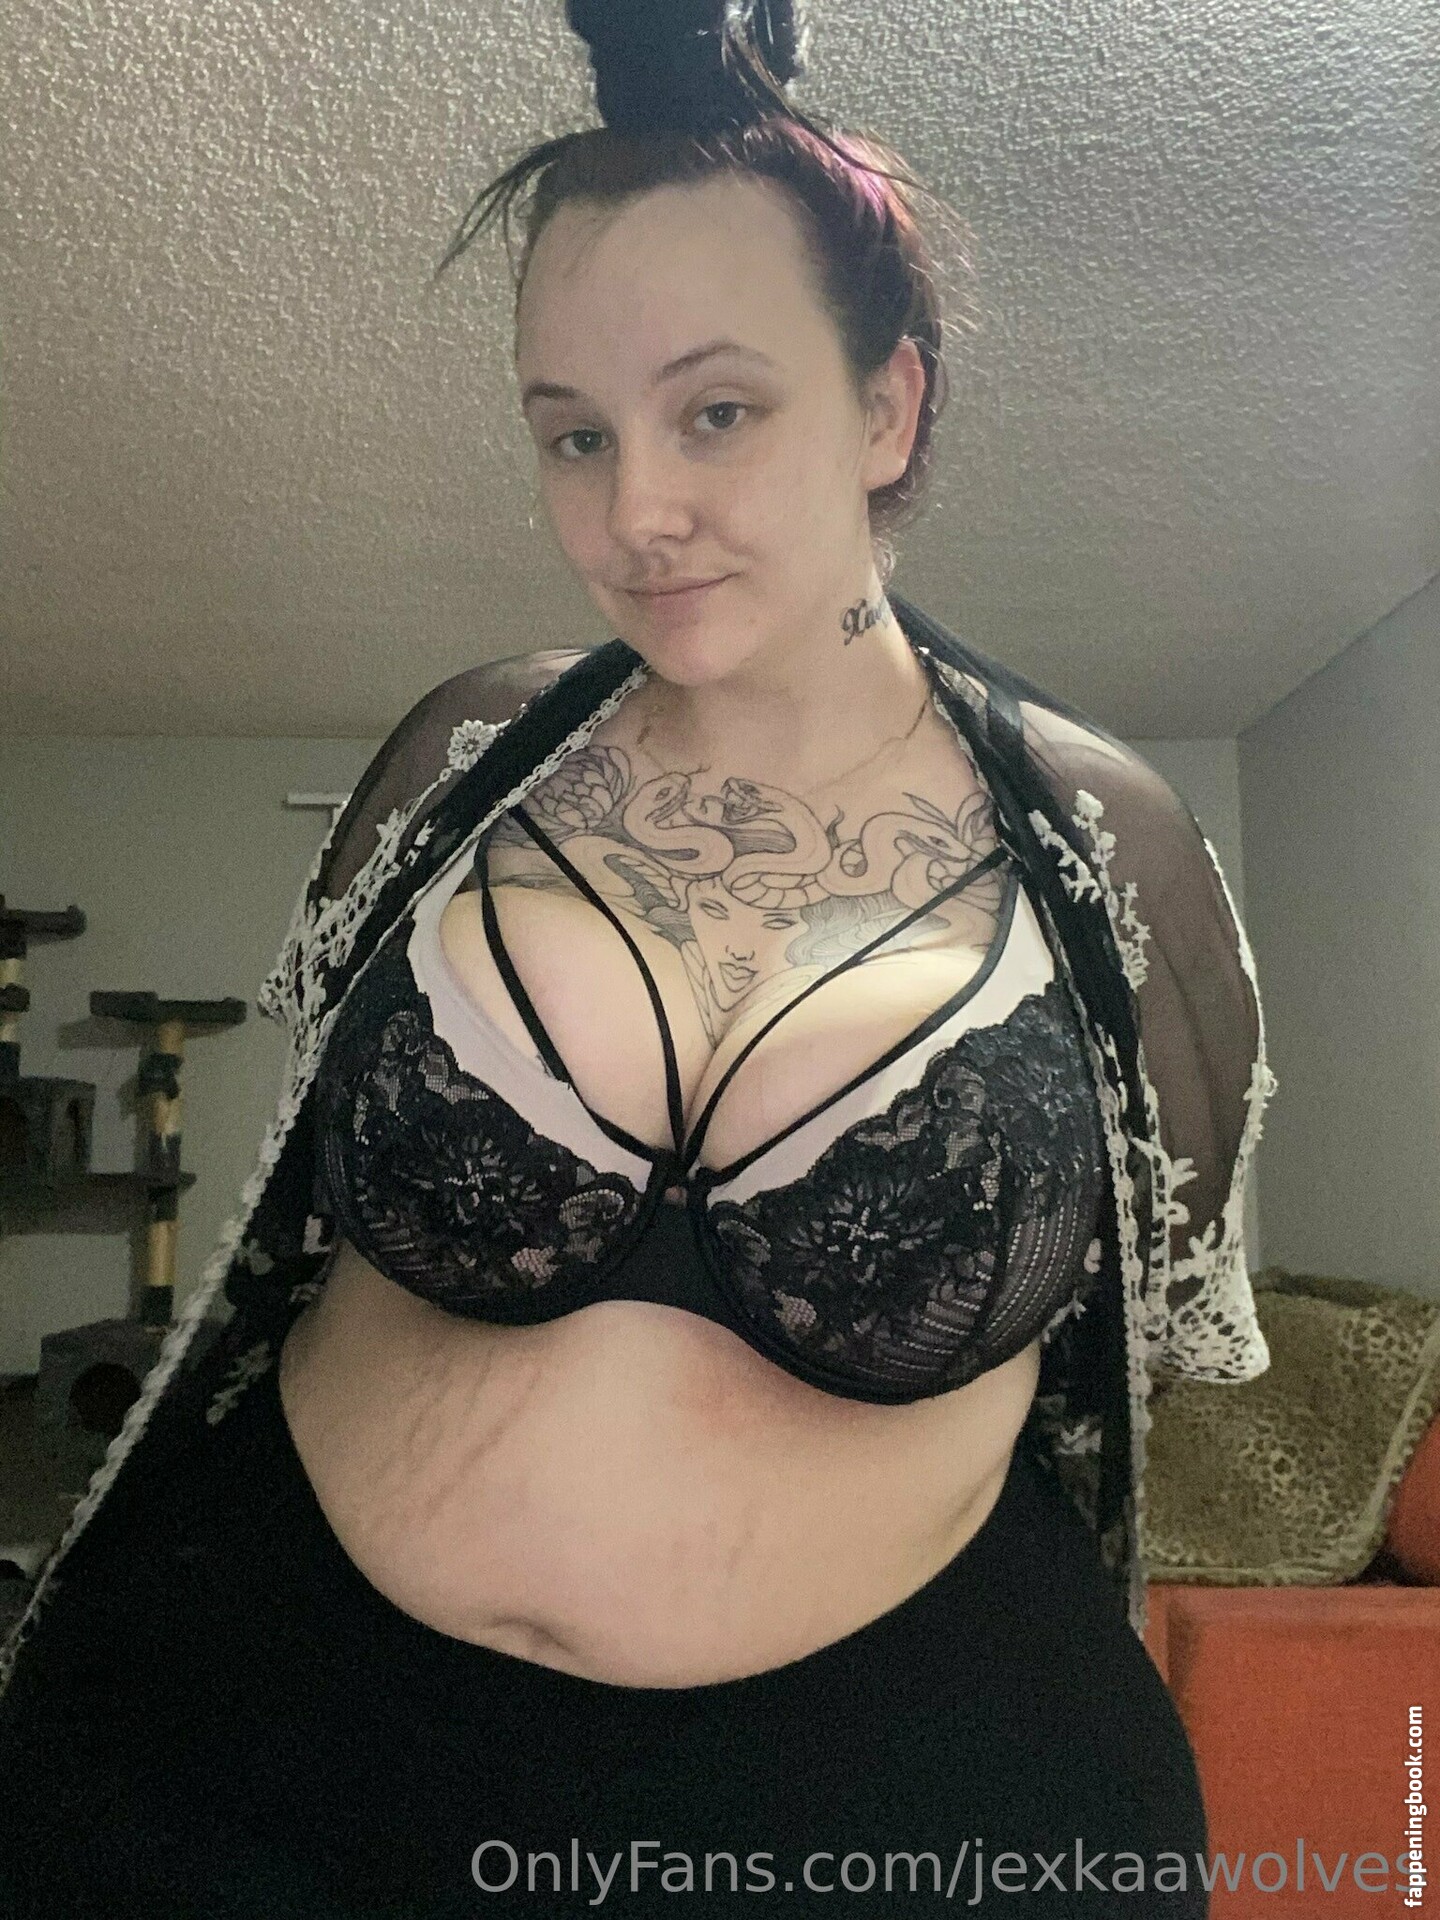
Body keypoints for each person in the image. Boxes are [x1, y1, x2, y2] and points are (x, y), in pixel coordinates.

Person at [0, 3, 1276, 1913]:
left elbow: (1153, 1347)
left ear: (888, 409)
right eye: (574, 434)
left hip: (882, 1812)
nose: (635, 512)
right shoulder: (462, 761)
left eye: (717, 412)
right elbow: (308, 1226)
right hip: (235, 1746)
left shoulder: (1114, 854)